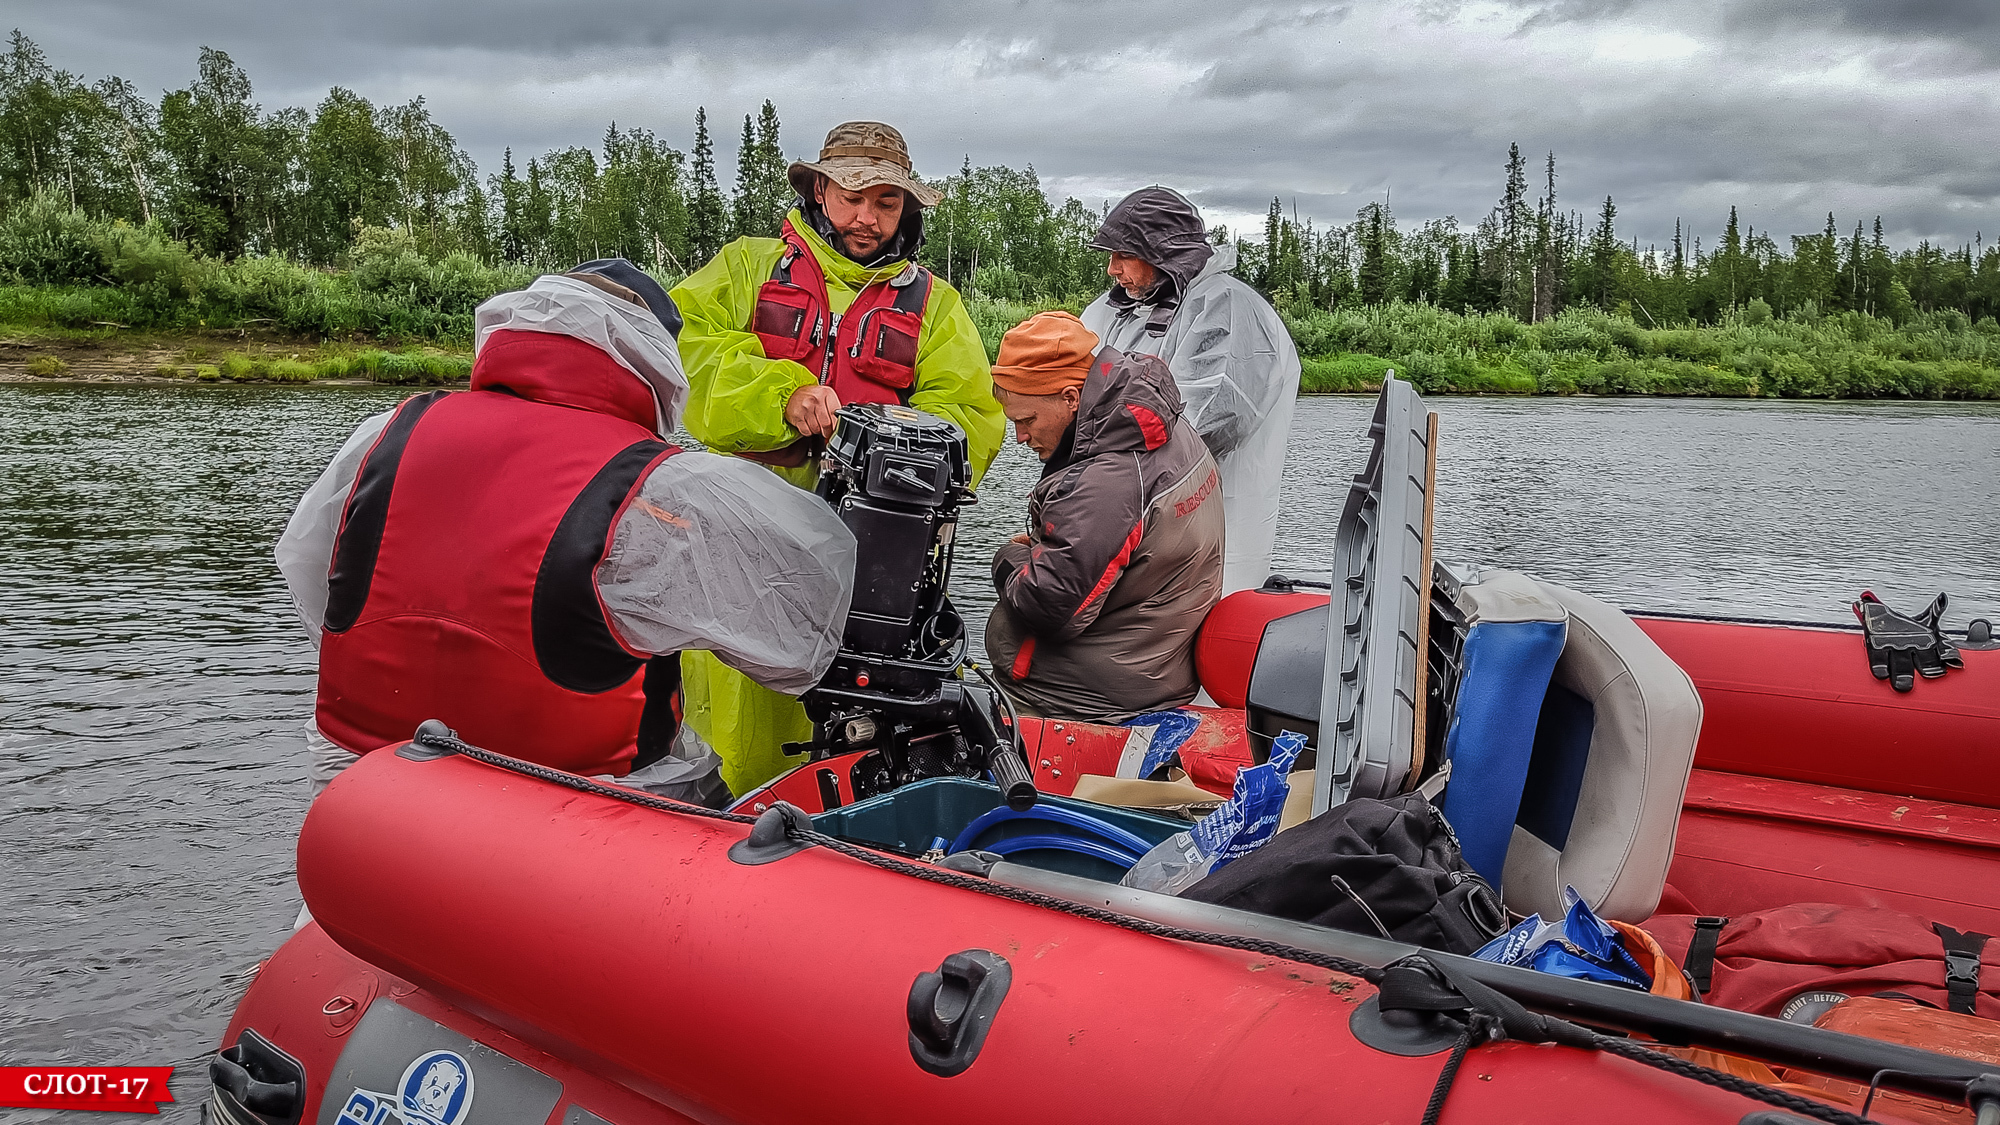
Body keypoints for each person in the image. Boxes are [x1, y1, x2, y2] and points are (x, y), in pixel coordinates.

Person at [275, 259, 856, 810]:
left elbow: (313, 581)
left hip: (365, 787)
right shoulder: (660, 484)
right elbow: (802, 649)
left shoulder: (387, 432)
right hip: (573, 819)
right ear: (651, 358)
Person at [670, 120, 1004, 794]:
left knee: (851, 734)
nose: (866, 218)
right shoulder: (746, 266)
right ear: (819, 190)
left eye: (886, 202)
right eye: (852, 197)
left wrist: (879, 440)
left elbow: (972, 419)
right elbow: (684, 355)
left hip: (866, 566)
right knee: (737, 729)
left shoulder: (938, 307)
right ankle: (722, 829)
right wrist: (783, 396)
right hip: (742, 544)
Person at [983, 311, 1225, 721]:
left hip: (1081, 697)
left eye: (1026, 421)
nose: (1020, 438)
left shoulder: (1108, 481)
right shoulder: (1154, 421)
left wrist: (1010, 559)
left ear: (1070, 398)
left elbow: (1049, 607)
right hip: (1152, 665)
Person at [1081, 187, 1301, 595]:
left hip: (1207, 528)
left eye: (1123, 254)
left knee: (1200, 633)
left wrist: (1103, 483)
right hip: (1125, 522)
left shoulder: (1226, 308)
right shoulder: (1120, 309)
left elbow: (1201, 429)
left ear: (1163, 252)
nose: (1111, 269)